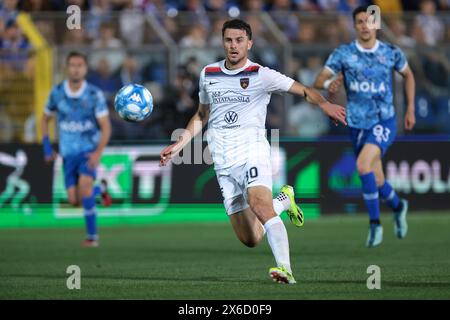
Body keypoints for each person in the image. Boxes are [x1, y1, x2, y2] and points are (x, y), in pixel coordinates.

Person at [160, 19, 346, 284]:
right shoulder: (208, 74)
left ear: (249, 43)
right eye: (228, 40)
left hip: (252, 152)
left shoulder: (261, 75)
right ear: (222, 42)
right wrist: (179, 144)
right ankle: (284, 199)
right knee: (251, 238)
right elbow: (201, 115)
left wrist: (325, 105)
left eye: (239, 40)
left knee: (259, 204)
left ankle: (285, 270)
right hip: (223, 162)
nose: (233, 45)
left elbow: (303, 90)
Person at [314, 6, 416, 248]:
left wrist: (410, 108)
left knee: (362, 165)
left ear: (376, 25)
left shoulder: (391, 52)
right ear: (354, 25)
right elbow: (318, 80)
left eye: (369, 21)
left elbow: (408, 75)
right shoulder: (344, 53)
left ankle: (374, 224)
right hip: (357, 123)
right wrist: (332, 81)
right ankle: (399, 207)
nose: (364, 25)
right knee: (377, 179)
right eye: (359, 21)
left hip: (384, 120)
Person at [41, 52, 112, 248]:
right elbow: (44, 119)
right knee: (75, 200)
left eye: (80, 65)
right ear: (67, 67)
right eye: (72, 65)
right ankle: (102, 189)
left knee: (85, 188)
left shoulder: (94, 94)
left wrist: (98, 152)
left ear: (86, 68)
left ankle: (92, 237)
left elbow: (106, 127)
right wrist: (47, 146)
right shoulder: (56, 93)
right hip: (67, 154)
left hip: (87, 151)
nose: (76, 69)